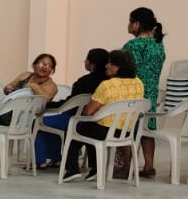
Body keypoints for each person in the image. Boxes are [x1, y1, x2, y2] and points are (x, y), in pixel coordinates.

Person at [62, 49, 146, 182]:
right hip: (126, 132)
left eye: (110, 63)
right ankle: (94, 169)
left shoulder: (107, 85)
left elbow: (88, 112)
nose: (106, 66)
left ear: (118, 67)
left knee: (75, 127)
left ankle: (72, 168)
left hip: (105, 131)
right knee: (89, 128)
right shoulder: (138, 83)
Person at [36, 48, 107, 169]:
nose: (84, 61)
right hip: (100, 121)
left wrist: (46, 105)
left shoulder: (84, 82)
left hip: (76, 119)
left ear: (92, 63)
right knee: (53, 120)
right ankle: (56, 159)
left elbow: (70, 103)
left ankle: (40, 160)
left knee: (41, 121)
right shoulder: (109, 82)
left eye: (86, 59)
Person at [124, 7, 167, 178]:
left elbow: (126, 70)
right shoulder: (158, 44)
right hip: (151, 94)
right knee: (147, 130)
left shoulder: (133, 45)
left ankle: (125, 166)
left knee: (128, 130)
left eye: (130, 21)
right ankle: (149, 165)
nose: (128, 25)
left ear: (137, 24)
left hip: (134, 93)